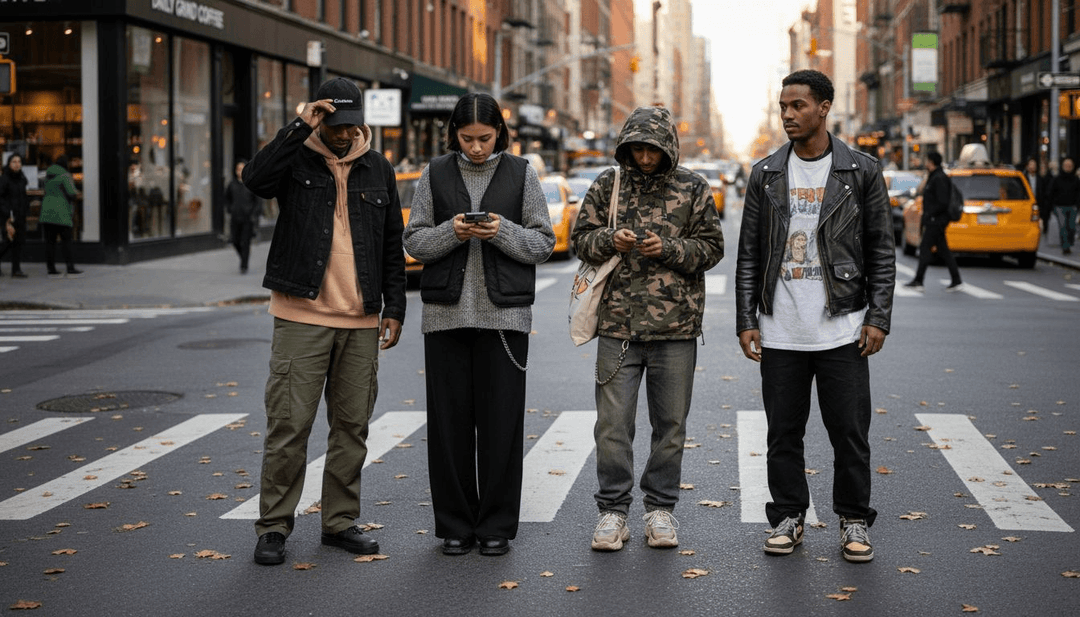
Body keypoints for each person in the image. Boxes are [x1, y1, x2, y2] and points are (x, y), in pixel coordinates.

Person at [241, 77, 407, 565]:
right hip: (302, 314)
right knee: (289, 425)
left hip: (360, 318)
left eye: (352, 126)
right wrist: (299, 127)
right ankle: (274, 526)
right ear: (320, 119)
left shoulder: (379, 168)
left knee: (352, 427)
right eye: (336, 125)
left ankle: (339, 522)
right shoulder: (296, 158)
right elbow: (255, 180)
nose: (345, 134)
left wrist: (394, 308)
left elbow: (391, 243)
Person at [735, 69, 895, 563]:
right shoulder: (766, 173)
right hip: (781, 329)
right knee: (783, 433)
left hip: (842, 327)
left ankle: (853, 519)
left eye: (798, 105)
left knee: (850, 433)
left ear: (824, 108)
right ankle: (789, 515)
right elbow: (749, 253)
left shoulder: (861, 170)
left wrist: (878, 317)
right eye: (783, 106)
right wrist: (746, 319)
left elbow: (881, 250)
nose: (788, 114)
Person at [403, 93, 554, 557]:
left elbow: (543, 243)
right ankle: (454, 525)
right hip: (445, 318)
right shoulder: (433, 173)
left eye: (484, 138)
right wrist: (452, 231)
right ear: (454, 134)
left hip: (505, 318)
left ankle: (495, 526)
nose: (475, 147)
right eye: (467, 138)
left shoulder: (522, 173)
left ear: (499, 133)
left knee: (501, 426)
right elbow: (414, 241)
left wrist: (500, 231)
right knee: (448, 428)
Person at [572, 106, 724, 552]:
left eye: (652, 150)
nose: (643, 157)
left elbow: (712, 248)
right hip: (617, 327)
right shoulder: (608, 184)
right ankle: (613, 511)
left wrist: (669, 249)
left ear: (668, 148)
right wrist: (609, 239)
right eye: (636, 149)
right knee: (612, 426)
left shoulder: (693, 187)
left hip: (676, 330)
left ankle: (660, 509)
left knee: (670, 426)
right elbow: (581, 239)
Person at [903, 151, 962, 291]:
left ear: (931, 162)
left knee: (925, 248)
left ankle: (919, 280)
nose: (925, 163)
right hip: (935, 220)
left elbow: (942, 202)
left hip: (936, 221)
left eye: (927, 160)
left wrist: (930, 214)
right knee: (943, 250)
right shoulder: (934, 176)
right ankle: (956, 279)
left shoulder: (939, 178)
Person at [39, 155, 82, 276]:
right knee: (66, 241)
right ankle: (70, 267)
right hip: (61, 211)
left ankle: (51, 268)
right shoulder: (65, 175)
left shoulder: (47, 175)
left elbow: (45, 191)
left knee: (50, 242)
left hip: (47, 211)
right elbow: (72, 193)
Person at [224, 158, 261, 273]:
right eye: (238, 169)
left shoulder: (251, 184)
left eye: (242, 168)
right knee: (235, 241)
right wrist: (230, 209)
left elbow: (257, 202)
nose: (239, 171)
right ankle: (243, 257)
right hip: (235, 217)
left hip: (247, 219)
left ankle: (244, 265)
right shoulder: (232, 184)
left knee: (245, 242)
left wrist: (253, 214)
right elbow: (227, 198)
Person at [0, 154, 29, 278]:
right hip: (8, 216)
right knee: (8, 242)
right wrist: (7, 214)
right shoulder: (4, 178)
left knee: (18, 242)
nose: (17, 164)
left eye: (19, 161)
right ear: (9, 164)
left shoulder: (22, 178)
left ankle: (16, 270)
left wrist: (26, 209)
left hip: (20, 214)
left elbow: (23, 196)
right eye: (14, 162)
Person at [1047, 157, 1080, 255]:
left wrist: (1077, 205)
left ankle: (1069, 242)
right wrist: (1050, 207)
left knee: (1072, 227)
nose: (1068, 167)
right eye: (1066, 165)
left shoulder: (1076, 180)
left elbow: (1078, 193)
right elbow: (1050, 193)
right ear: (1063, 166)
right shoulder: (1057, 179)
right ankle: (1065, 246)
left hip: (1072, 206)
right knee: (1063, 226)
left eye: (1070, 166)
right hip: (1059, 206)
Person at [1024, 157, 1052, 236]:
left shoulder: (1040, 179)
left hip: (1038, 204)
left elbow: (1043, 193)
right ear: (1027, 166)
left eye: (1034, 165)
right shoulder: (1024, 178)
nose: (1032, 166)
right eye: (1031, 164)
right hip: (1026, 204)